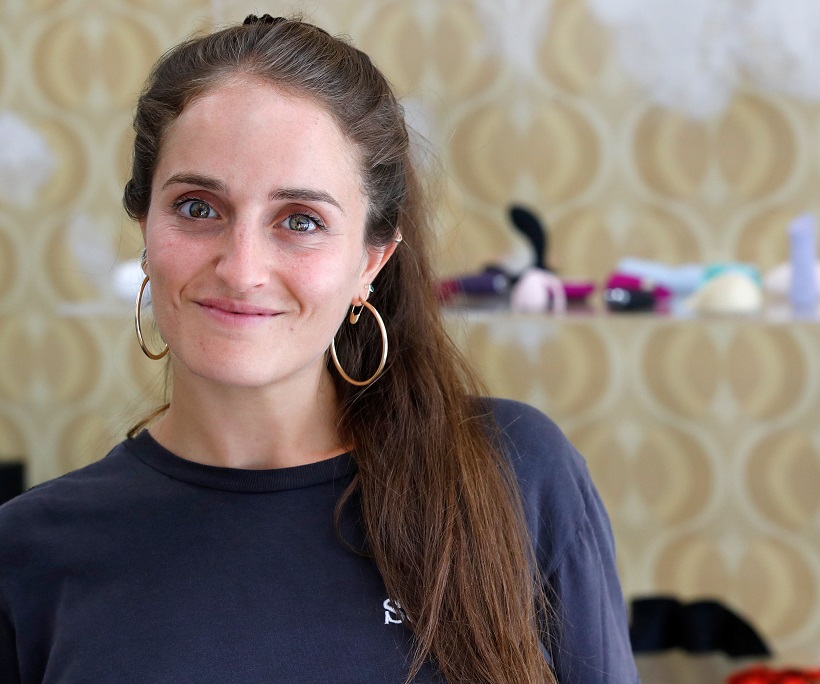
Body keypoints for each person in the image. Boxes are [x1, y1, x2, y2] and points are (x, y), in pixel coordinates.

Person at [0, 15, 637, 684]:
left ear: (371, 260)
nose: (241, 269)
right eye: (197, 207)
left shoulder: (516, 473)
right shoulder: (28, 552)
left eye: (300, 220)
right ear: (145, 225)